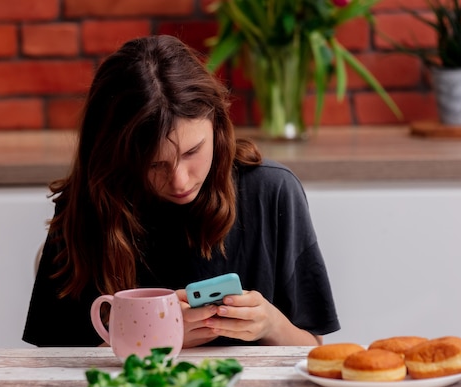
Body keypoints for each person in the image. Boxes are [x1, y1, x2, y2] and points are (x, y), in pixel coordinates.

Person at [22, 34, 340, 348]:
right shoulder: (90, 203)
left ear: (217, 124)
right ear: (114, 156)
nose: (180, 181)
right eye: (155, 164)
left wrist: (271, 323)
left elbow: (311, 349)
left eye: (192, 152)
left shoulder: (271, 192)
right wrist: (152, 341)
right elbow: (54, 366)